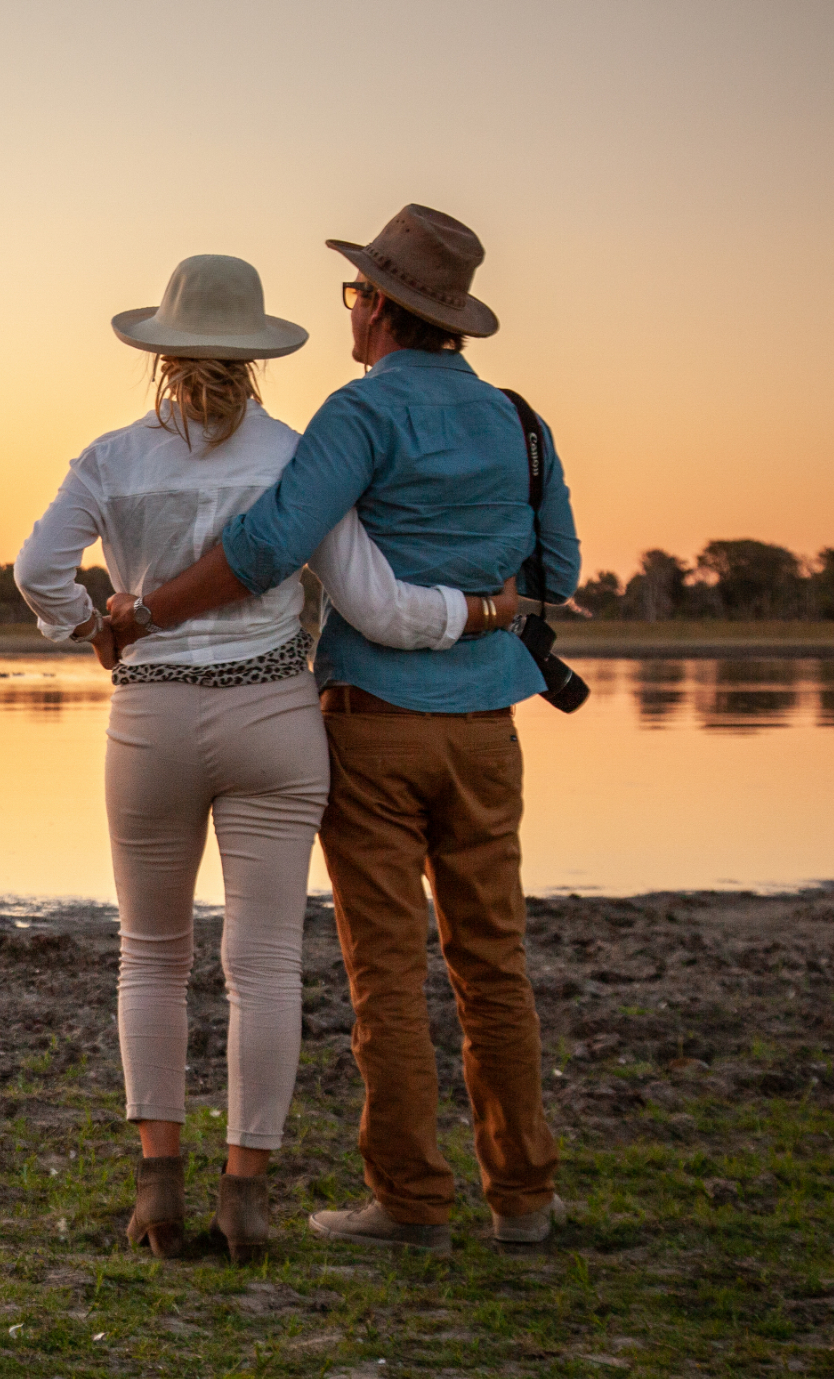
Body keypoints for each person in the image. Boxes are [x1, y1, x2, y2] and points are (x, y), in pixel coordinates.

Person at [100, 206, 579, 1256]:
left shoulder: (359, 419)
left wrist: (145, 612)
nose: (350, 311)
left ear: (382, 309)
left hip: (372, 729)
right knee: (492, 961)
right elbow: (563, 570)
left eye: (355, 294)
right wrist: (486, 606)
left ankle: (411, 1202)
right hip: (489, 730)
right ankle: (525, 1197)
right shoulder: (518, 421)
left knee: (388, 971)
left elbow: (271, 543)